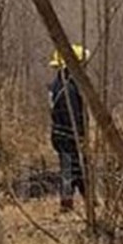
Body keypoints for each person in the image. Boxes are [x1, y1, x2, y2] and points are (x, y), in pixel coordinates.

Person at [49, 44, 89, 212]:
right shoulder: (68, 88)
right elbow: (73, 116)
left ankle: (88, 200)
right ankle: (66, 205)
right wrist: (80, 137)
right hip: (67, 135)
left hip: (61, 135)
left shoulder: (59, 84)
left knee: (78, 168)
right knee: (70, 169)